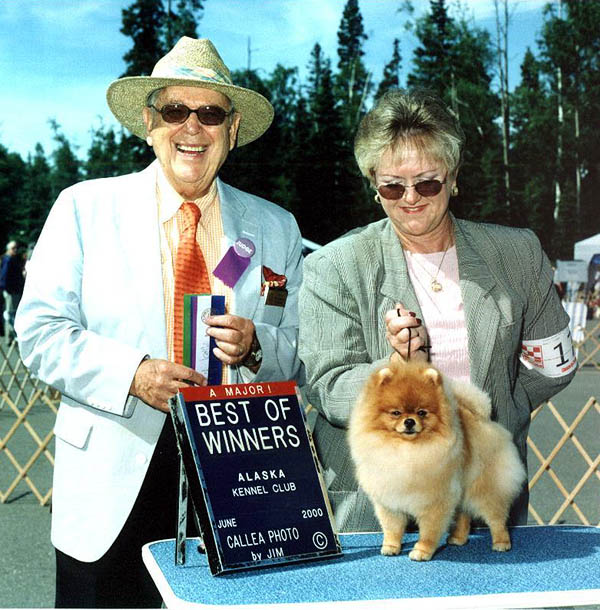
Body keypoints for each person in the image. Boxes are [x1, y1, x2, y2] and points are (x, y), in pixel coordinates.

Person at [15, 37, 303, 608]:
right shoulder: (83, 208)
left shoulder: (277, 228)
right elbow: (40, 332)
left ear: (232, 129)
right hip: (110, 479)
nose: (192, 127)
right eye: (175, 110)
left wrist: (256, 347)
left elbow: (296, 346)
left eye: (211, 113)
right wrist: (134, 373)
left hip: (240, 479)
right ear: (149, 123)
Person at [298, 89, 576, 533]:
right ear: (373, 183)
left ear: (453, 175)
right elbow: (328, 386)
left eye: (427, 183)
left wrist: (500, 408)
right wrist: (397, 370)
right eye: (392, 185)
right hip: (375, 511)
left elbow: (554, 365)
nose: (410, 198)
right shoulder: (334, 266)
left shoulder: (517, 252)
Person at [1, 241, 25, 343]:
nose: (15, 250)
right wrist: (7, 290)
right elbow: (4, 276)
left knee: (12, 313)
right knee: (10, 314)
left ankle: (11, 337)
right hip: (11, 292)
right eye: (13, 248)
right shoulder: (8, 259)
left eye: (16, 248)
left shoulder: (12, 259)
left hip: (14, 290)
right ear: (8, 249)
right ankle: (9, 338)